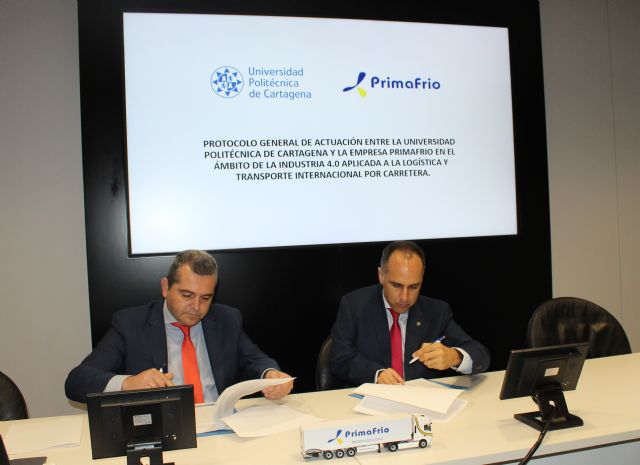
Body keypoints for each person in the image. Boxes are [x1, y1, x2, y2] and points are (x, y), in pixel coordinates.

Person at [65, 250, 293, 403]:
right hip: (163, 430)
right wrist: (128, 383)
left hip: (221, 426)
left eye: (205, 298)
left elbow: (255, 360)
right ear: (166, 287)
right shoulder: (130, 324)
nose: (196, 307)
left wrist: (271, 374)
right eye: (187, 295)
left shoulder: (227, 319)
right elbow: (77, 381)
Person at [329, 240, 490, 386]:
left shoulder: (436, 312)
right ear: (381, 275)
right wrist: (376, 375)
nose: (405, 297)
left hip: (421, 403)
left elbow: (480, 354)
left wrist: (455, 357)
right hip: (368, 402)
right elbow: (340, 358)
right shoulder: (355, 306)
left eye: (413, 287)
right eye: (396, 285)